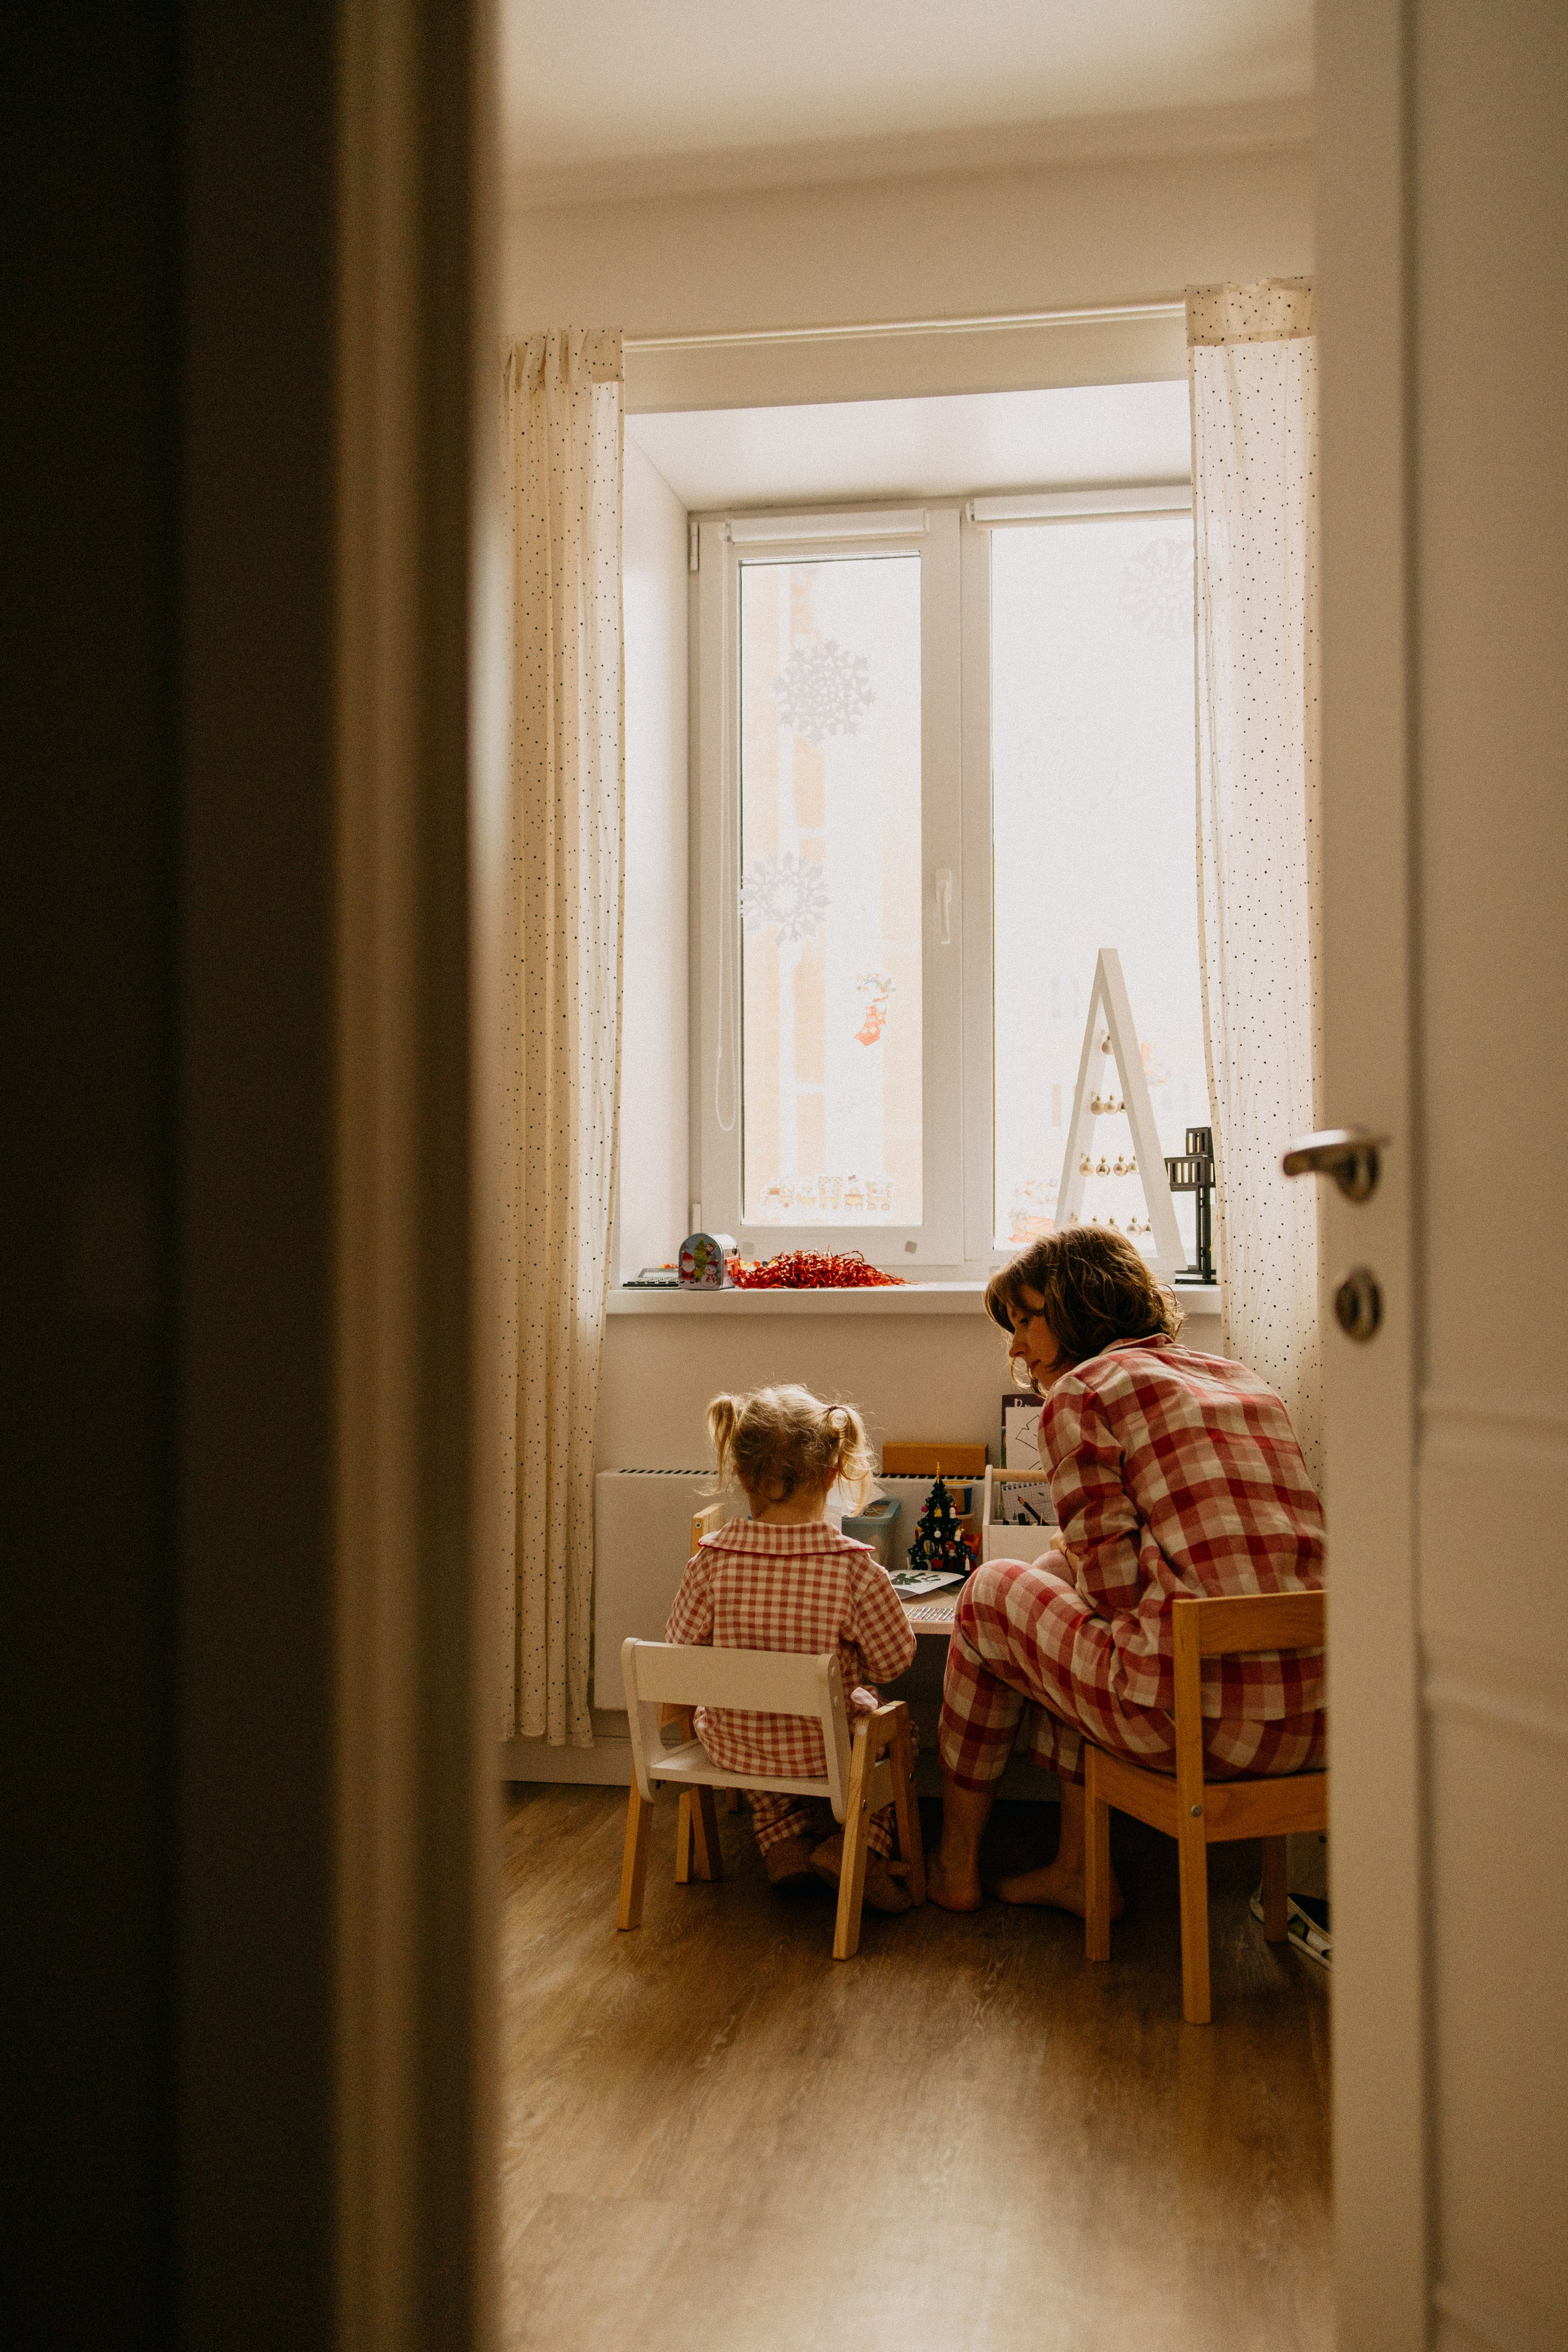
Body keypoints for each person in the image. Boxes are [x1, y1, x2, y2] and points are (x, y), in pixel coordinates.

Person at [927, 1226, 1325, 1917]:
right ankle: (1079, 1868)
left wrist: (1060, 1562)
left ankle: (954, 1862)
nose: (1016, 1347)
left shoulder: (1082, 1394)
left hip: (1196, 1726)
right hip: (1318, 1715)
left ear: (1079, 1304)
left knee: (990, 1591)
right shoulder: (1242, 1380)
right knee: (1067, 1614)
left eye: (1026, 1321)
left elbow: (1110, 1594)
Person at [665, 1384, 919, 1912]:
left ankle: (781, 1842)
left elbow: (679, 1654)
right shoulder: (853, 1568)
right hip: (823, 1749)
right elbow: (894, 1662)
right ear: (833, 1473)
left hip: (734, 1745)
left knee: (755, 1717)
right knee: (895, 1731)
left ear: (742, 1475)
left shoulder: (710, 1560)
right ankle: (857, 1851)